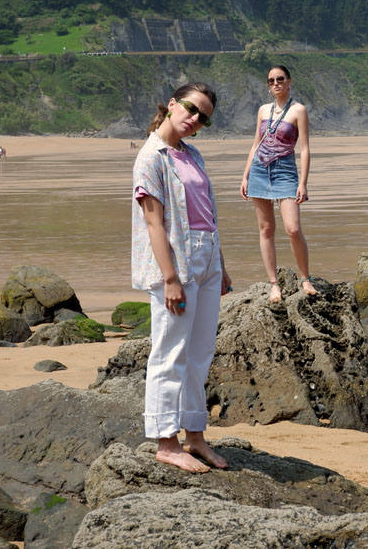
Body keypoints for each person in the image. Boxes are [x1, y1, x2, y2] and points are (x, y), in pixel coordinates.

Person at [131, 82, 232, 472]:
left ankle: (195, 435)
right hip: (176, 263)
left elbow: (206, 212)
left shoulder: (192, 154)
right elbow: (154, 223)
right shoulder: (150, 157)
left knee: (200, 352)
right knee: (170, 352)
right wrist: (170, 278)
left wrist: (221, 264)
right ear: (173, 104)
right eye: (191, 109)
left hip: (207, 261)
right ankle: (164, 441)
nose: (194, 120)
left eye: (203, 117)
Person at [240, 65, 317, 301]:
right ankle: (274, 283)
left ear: (289, 81)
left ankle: (305, 278)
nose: (276, 83)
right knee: (266, 229)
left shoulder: (298, 110)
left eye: (280, 79)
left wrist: (303, 182)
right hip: (259, 170)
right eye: (271, 80)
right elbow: (255, 144)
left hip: (285, 171)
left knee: (292, 229)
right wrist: (245, 176)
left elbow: (304, 149)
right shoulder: (263, 109)